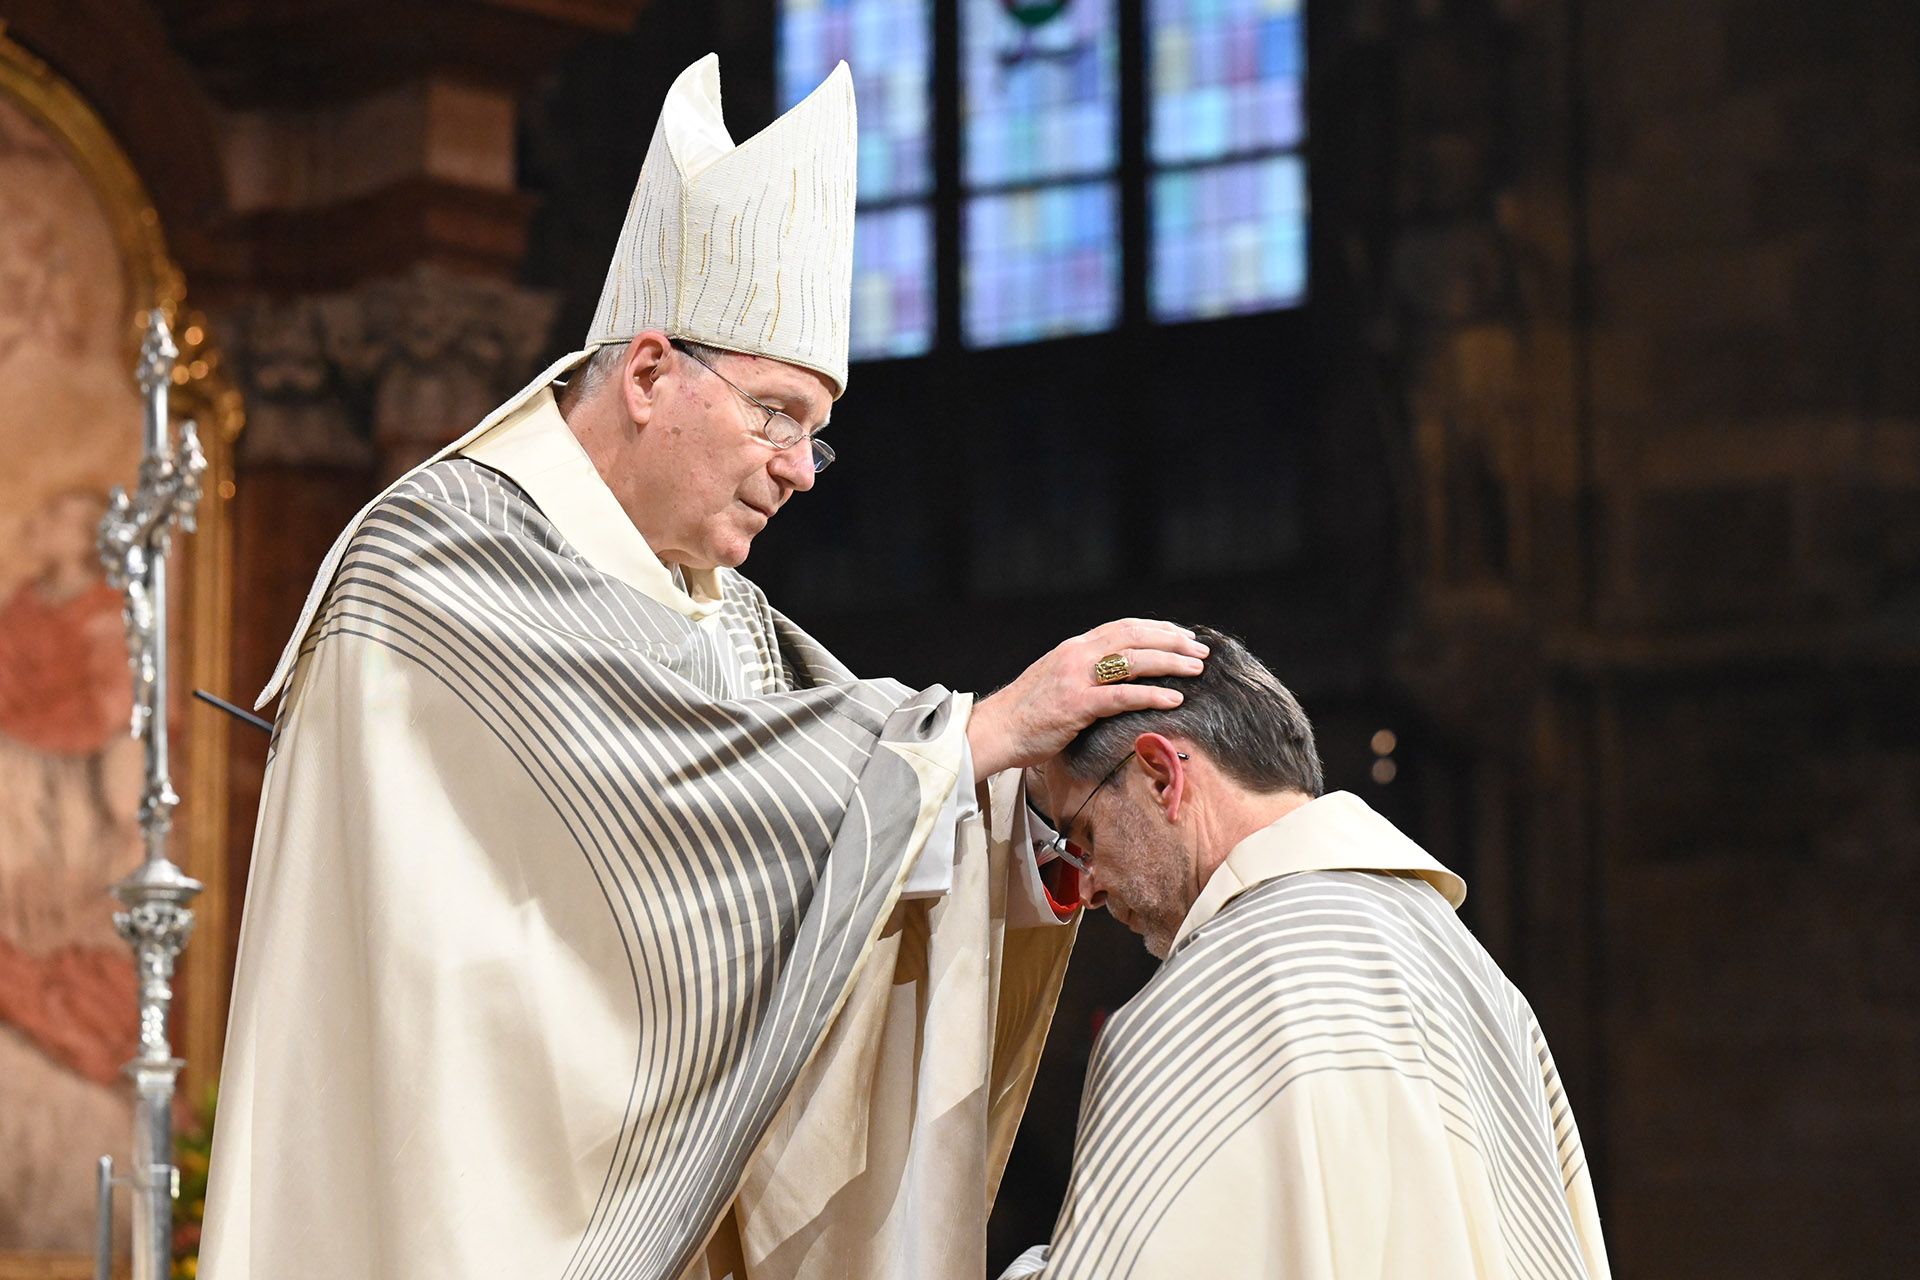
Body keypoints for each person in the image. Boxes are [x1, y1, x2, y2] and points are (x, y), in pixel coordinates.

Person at [199, 54, 1206, 1280]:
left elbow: (829, 804)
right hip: (443, 1202)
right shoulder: (444, 551)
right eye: (777, 413)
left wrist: (1031, 826)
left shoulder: (725, 616)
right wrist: (985, 730)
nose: (796, 467)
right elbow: (709, 803)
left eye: (815, 436)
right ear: (650, 370)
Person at [1007, 627, 1611, 1280]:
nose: (1088, 887)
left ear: (1160, 777)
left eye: (1081, 836)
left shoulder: (1217, 997)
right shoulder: (1476, 978)